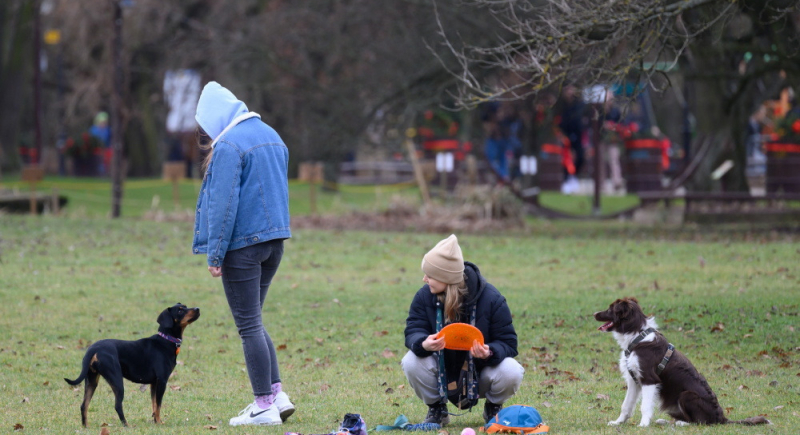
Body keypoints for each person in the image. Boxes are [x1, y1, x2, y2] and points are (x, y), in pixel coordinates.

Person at [192, 81, 294, 426]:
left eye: (206, 126)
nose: (206, 135)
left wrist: (215, 253)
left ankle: (263, 405)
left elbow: (223, 205)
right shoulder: (271, 135)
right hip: (274, 243)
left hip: (243, 247)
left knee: (248, 325)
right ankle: (277, 394)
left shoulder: (229, 147)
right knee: (254, 319)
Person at [401, 235, 524, 427]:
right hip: (441, 370)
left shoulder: (492, 298)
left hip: (480, 373)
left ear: (446, 278)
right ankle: (437, 409)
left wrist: (488, 352)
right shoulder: (424, 296)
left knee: (512, 370)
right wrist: (423, 343)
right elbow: (413, 329)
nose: (424, 279)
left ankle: (493, 407)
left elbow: (508, 343)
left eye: (430, 275)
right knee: (411, 361)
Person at [89, 111, 111, 176]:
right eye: (101, 122)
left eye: (104, 122)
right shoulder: (93, 130)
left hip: (106, 150)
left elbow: (109, 141)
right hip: (96, 150)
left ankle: (105, 173)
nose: (103, 124)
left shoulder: (108, 130)